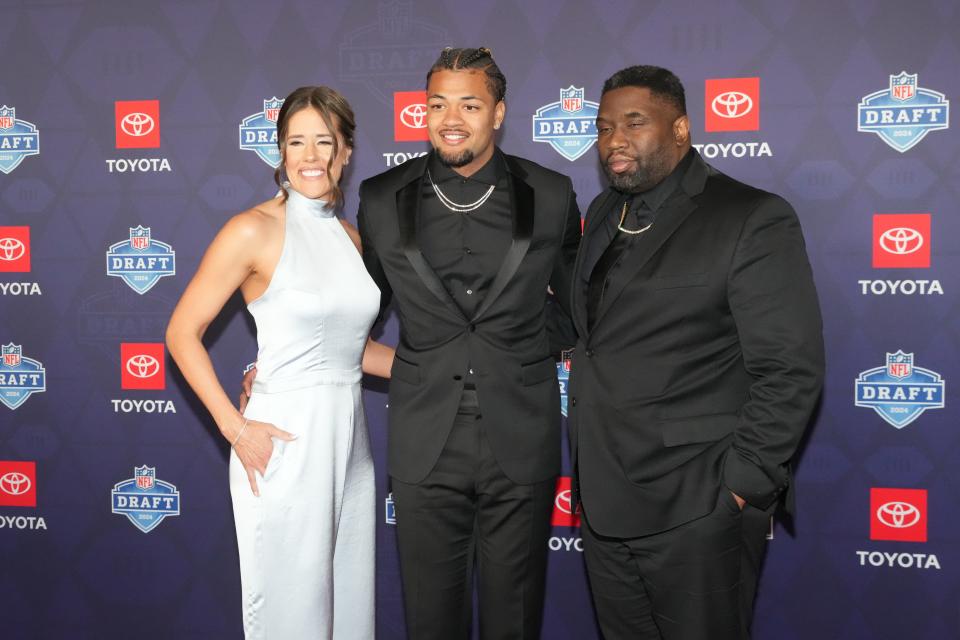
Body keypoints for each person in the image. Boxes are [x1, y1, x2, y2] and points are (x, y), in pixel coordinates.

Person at [567, 65, 824, 640]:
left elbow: (790, 367)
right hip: (606, 501)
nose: (614, 140)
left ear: (680, 129)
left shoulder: (750, 217)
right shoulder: (607, 212)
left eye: (635, 122)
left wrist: (739, 488)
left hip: (696, 505)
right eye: (604, 125)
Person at [357, 47, 581, 639]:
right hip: (425, 436)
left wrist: (524, 346)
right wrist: (278, 364)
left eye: (469, 104)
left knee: (515, 619)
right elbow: (353, 313)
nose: (450, 117)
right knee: (430, 620)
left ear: (499, 112)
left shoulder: (552, 193)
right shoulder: (382, 197)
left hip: (522, 433)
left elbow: (585, 306)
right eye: (437, 103)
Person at [166, 86, 393, 640]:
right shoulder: (253, 229)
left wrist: (459, 369)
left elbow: (353, 350)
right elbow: (181, 332)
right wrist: (235, 428)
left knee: (349, 615)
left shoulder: (352, 239)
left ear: (345, 152)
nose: (310, 156)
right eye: (296, 142)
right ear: (280, 152)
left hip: (350, 447)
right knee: (293, 619)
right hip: (283, 442)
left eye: (324, 141)